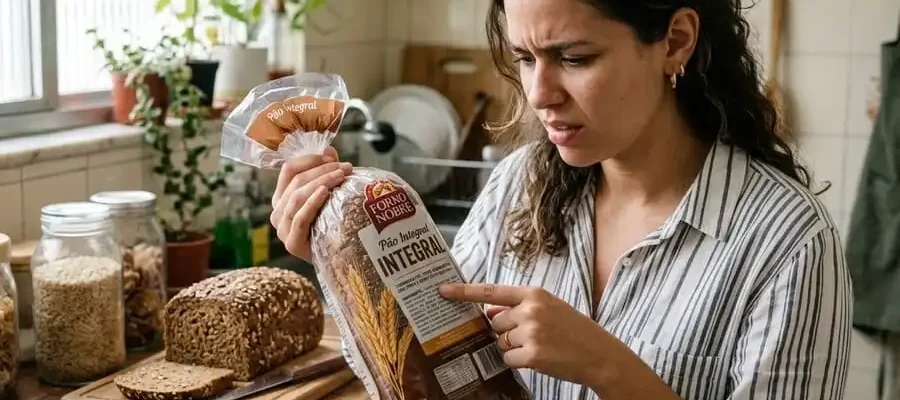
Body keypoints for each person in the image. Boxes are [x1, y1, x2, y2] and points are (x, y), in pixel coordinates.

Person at [268, 0, 853, 398]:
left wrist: (609, 368)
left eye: (575, 58)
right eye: (525, 59)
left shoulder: (790, 243)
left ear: (675, 42)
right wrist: (345, 263)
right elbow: (429, 374)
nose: (539, 93)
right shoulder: (516, 186)